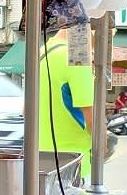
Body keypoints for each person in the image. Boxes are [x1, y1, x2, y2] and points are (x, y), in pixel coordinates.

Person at [39, 27, 96, 182]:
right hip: (74, 165)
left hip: (41, 163)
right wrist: (104, 145)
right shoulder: (77, 55)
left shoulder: (41, 53)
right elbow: (93, 120)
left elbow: (26, 111)